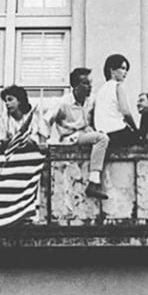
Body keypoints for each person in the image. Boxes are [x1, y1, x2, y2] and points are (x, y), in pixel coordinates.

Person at [44, 67, 110, 200]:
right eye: (85, 83)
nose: (89, 87)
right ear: (74, 86)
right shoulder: (63, 102)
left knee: (103, 136)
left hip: (86, 135)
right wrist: (44, 142)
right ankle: (93, 182)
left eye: (90, 83)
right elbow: (46, 120)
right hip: (70, 137)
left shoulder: (92, 100)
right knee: (102, 138)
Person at [94, 54, 138, 148]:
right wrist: (136, 129)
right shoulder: (118, 86)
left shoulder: (100, 90)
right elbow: (126, 112)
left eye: (126, 69)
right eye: (122, 68)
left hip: (104, 134)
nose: (125, 72)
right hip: (118, 132)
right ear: (112, 70)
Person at [0, 85, 46, 153]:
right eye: (5, 101)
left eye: (10, 100)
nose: (7, 103)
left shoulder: (35, 117)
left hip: (33, 154)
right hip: (13, 155)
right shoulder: (4, 118)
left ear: (20, 100)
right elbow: (2, 140)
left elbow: (42, 141)